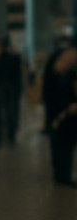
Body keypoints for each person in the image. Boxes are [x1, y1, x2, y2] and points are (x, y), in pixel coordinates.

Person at [42, 46, 77, 187]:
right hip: (57, 114)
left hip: (69, 115)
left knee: (66, 144)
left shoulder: (71, 72)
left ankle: (64, 175)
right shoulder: (52, 74)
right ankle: (61, 175)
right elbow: (49, 96)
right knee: (59, 144)